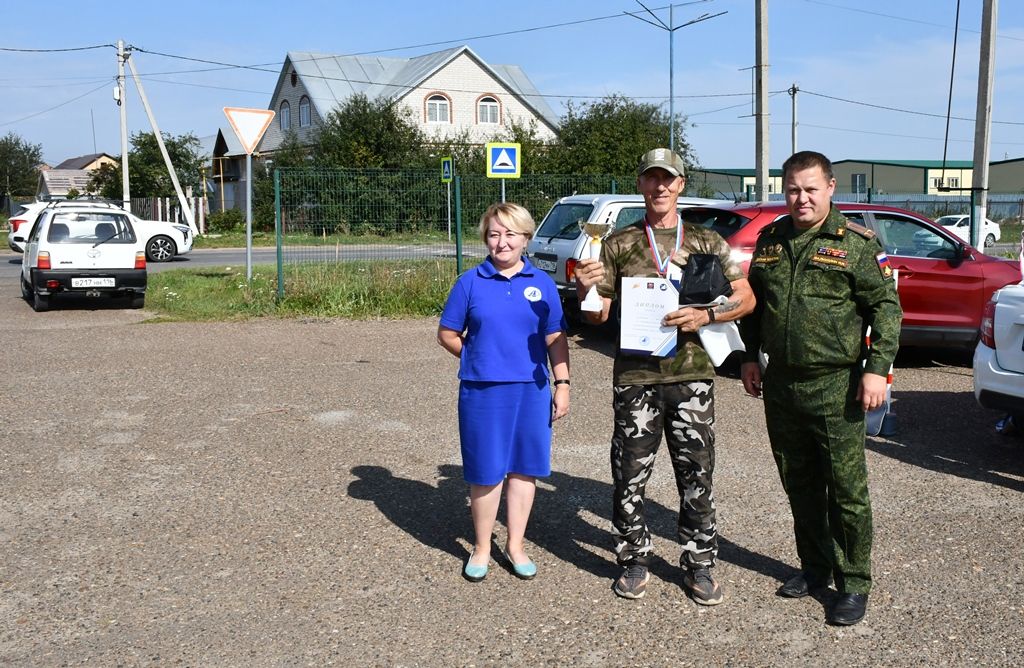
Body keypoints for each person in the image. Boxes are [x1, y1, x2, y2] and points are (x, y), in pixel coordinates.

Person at [573, 148, 755, 604]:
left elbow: (746, 297)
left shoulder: (706, 241)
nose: (659, 187)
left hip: (692, 375)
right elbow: (598, 317)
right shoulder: (618, 243)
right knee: (629, 475)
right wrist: (586, 289)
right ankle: (633, 559)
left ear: (680, 185)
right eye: (651, 179)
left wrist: (705, 315)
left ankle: (699, 564)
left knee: (697, 474)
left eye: (667, 180)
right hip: (636, 377)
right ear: (641, 184)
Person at [738, 150, 902, 626]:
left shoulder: (855, 244)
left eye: (811, 188)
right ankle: (814, 568)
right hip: (783, 384)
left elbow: (886, 309)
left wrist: (877, 369)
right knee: (800, 483)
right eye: (793, 189)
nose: (802, 198)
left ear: (831, 188)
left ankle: (853, 582)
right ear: (782, 190)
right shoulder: (770, 241)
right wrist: (750, 356)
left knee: (846, 489)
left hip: (837, 384)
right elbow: (755, 307)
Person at [437, 202, 570, 582]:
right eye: (494, 234)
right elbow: (447, 333)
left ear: (526, 238)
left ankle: (515, 545)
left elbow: (556, 338)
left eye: (511, 233)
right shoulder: (470, 282)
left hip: (532, 391)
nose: (502, 241)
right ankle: (480, 548)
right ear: (485, 239)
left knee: (524, 471)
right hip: (482, 393)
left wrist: (563, 384)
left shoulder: (542, 283)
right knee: (486, 472)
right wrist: (476, 354)